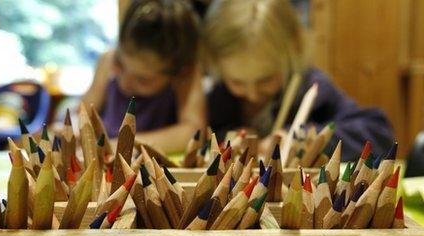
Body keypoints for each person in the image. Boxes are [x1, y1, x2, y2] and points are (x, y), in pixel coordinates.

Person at [202, 0, 394, 161]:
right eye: (237, 82)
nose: (252, 95)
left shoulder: (312, 87)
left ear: (294, 50)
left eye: (266, 79)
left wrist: (309, 140)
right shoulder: (219, 98)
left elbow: (378, 133)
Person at [82, 0, 205, 153]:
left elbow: (193, 132)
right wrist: (71, 127)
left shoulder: (187, 74)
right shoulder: (107, 60)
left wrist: (125, 144)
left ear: (179, 73)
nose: (125, 81)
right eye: (119, 64)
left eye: (143, 80)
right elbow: (82, 113)